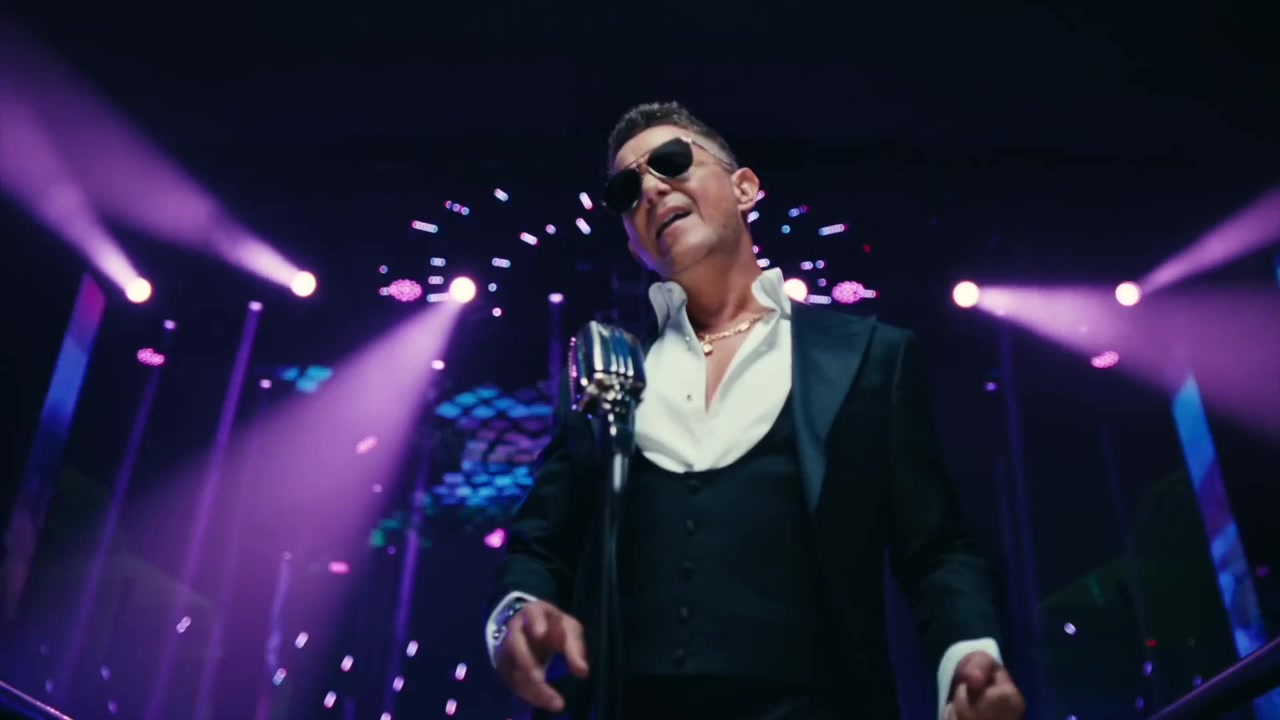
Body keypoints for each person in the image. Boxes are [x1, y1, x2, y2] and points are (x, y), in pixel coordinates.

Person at [484, 101, 1026, 720]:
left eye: (672, 161)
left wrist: (968, 655)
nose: (651, 189)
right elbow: (541, 545)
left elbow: (935, 549)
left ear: (745, 188)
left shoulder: (870, 357)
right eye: (625, 191)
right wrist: (517, 613)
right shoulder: (605, 370)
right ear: (633, 244)